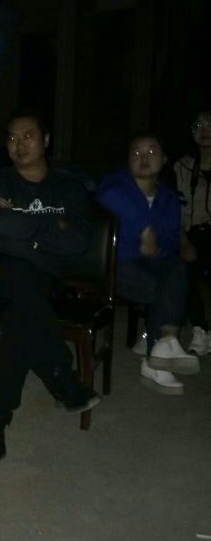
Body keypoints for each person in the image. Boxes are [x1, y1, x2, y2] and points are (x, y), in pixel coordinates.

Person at [0, 112, 99, 461]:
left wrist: (26, 230)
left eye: (28, 136)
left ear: (46, 140)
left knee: (21, 314)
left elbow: (78, 242)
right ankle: (58, 372)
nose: (19, 144)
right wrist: (51, 229)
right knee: (22, 282)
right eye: (12, 138)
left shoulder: (69, 188)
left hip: (41, 281)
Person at [97, 131, 199, 396]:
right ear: (128, 160)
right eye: (136, 152)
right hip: (115, 264)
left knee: (176, 270)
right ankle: (157, 353)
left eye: (151, 152)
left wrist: (174, 247)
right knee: (168, 290)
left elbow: (170, 239)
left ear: (164, 160)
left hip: (153, 263)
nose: (143, 157)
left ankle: (166, 342)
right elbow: (107, 196)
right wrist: (145, 229)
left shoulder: (169, 197)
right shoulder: (117, 183)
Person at [174, 108, 211, 355]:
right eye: (199, 126)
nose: (205, 131)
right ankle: (200, 328)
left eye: (210, 125)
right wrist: (183, 239)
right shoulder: (182, 167)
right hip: (191, 233)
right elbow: (172, 209)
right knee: (182, 266)